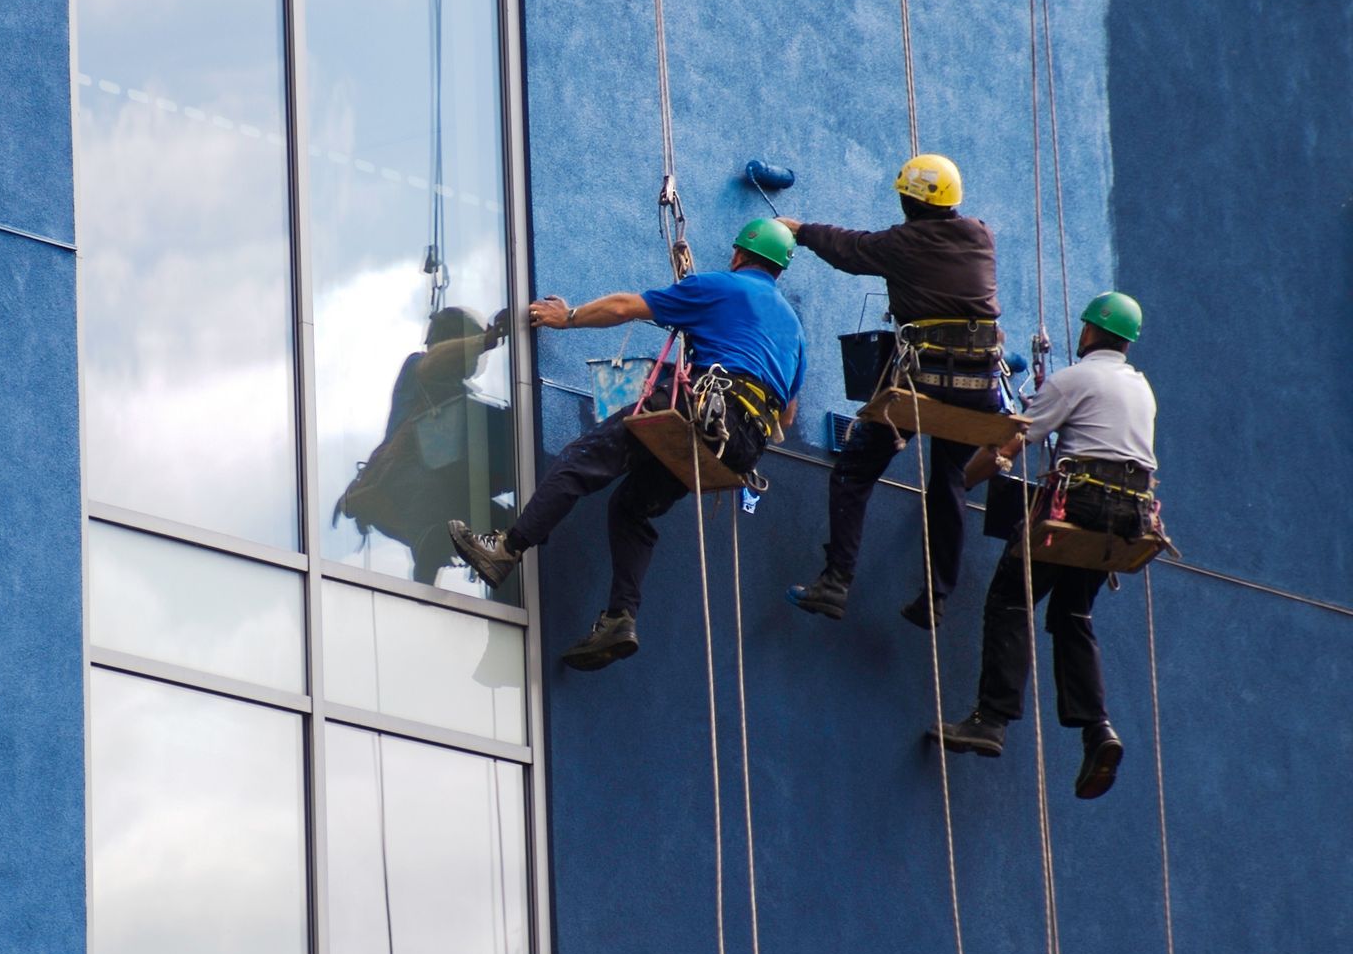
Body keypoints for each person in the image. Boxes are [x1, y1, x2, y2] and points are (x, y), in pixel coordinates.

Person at [448, 220, 807, 670]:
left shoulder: (722, 288)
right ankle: (620, 617)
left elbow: (624, 307)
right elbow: (788, 416)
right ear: (779, 269)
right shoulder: (794, 329)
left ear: (738, 255)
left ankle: (506, 549)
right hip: (738, 447)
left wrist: (568, 316)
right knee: (632, 508)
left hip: (704, 408)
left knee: (581, 460)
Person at [933, 292, 1157, 800]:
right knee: (1072, 614)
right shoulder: (1141, 388)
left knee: (1011, 596)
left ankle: (991, 719)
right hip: (1127, 518)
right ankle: (1097, 729)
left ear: (1088, 333)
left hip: (1082, 505)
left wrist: (956, 487)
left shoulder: (1074, 379)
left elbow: (1009, 446)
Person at [778, 153, 1006, 628]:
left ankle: (836, 582)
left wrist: (799, 229)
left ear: (910, 199)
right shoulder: (980, 236)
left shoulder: (903, 244)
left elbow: (849, 248)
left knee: (854, 471)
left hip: (923, 384)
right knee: (948, 483)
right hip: (979, 388)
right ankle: (936, 597)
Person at [332, 307, 511, 586]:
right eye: (471, 350)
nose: (475, 359)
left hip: (444, 490)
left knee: (512, 531)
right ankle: (429, 569)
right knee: (434, 532)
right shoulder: (418, 367)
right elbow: (433, 362)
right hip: (404, 482)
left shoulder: (459, 395)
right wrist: (484, 340)